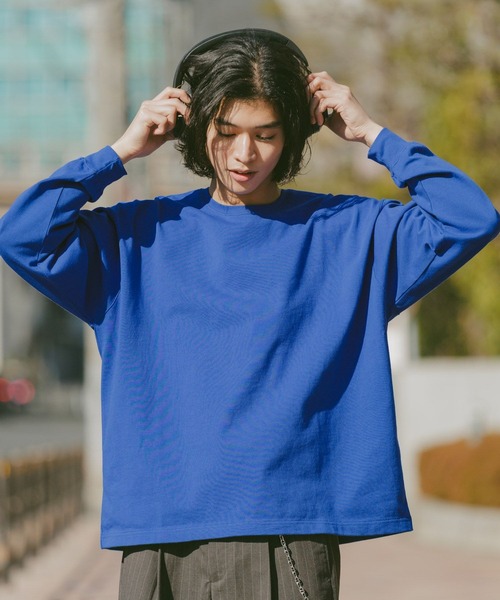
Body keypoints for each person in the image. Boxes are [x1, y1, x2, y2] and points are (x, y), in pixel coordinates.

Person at [0, 28, 498, 600]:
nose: (245, 154)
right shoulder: (135, 238)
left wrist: (372, 134)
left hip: (285, 535)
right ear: (195, 127)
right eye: (226, 131)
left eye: (266, 134)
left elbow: (469, 218)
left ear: (293, 133)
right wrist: (119, 153)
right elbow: (22, 236)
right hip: (161, 540)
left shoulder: (349, 233)